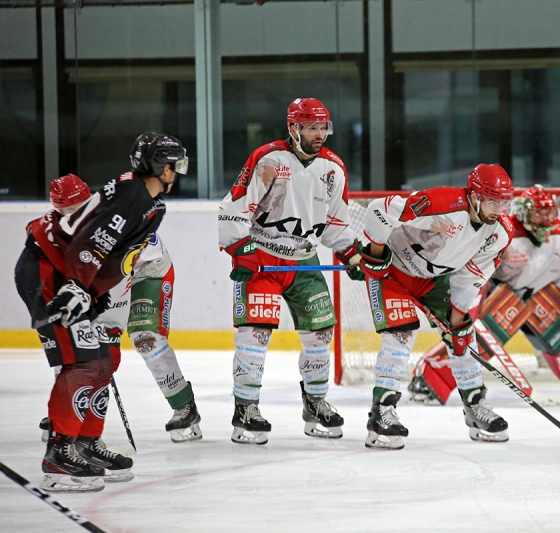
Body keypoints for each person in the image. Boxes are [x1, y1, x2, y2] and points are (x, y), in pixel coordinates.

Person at [15, 132, 187, 492]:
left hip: (68, 276)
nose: (178, 172)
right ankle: (58, 455)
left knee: (103, 362)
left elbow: (115, 256)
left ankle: (85, 443)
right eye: (174, 165)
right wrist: (78, 288)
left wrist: (93, 294)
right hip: (50, 273)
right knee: (83, 364)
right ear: (161, 167)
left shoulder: (148, 202)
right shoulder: (133, 195)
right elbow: (90, 242)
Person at [218, 98, 362, 445]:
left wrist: (351, 253)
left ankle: (315, 404)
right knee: (255, 334)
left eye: (323, 127)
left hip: (305, 261)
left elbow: (335, 224)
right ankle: (245, 408)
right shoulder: (269, 159)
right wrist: (241, 248)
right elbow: (235, 207)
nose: (319, 134)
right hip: (263, 261)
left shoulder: (333, 169)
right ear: (293, 128)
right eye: (311, 128)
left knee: (321, 333)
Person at [408, 185, 560, 404]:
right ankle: (429, 379)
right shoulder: (503, 234)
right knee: (478, 339)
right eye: (538, 214)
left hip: (540, 296)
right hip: (499, 296)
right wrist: (470, 308)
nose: (545, 220)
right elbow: (474, 270)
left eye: (549, 213)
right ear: (523, 214)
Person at [356, 163, 515, 449]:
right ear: (475, 196)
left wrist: (457, 319)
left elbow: (472, 276)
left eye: (504, 202)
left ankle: (475, 407)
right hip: (392, 270)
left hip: (434, 278)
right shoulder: (442, 203)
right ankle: (382, 413)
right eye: (493, 201)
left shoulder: (499, 233)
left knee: (463, 333)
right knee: (400, 334)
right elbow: (381, 209)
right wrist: (375, 255)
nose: (499, 209)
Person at [38, 184, 202, 445]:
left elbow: (116, 275)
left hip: (148, 270)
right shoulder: (56, 229)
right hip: (110, 274)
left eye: (76, 209)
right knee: (75, 340)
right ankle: (69, 409)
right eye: (64, 211)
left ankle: (184, 406)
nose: (71, 216)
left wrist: (105, 325)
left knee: (145, 338)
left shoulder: (108, 227)